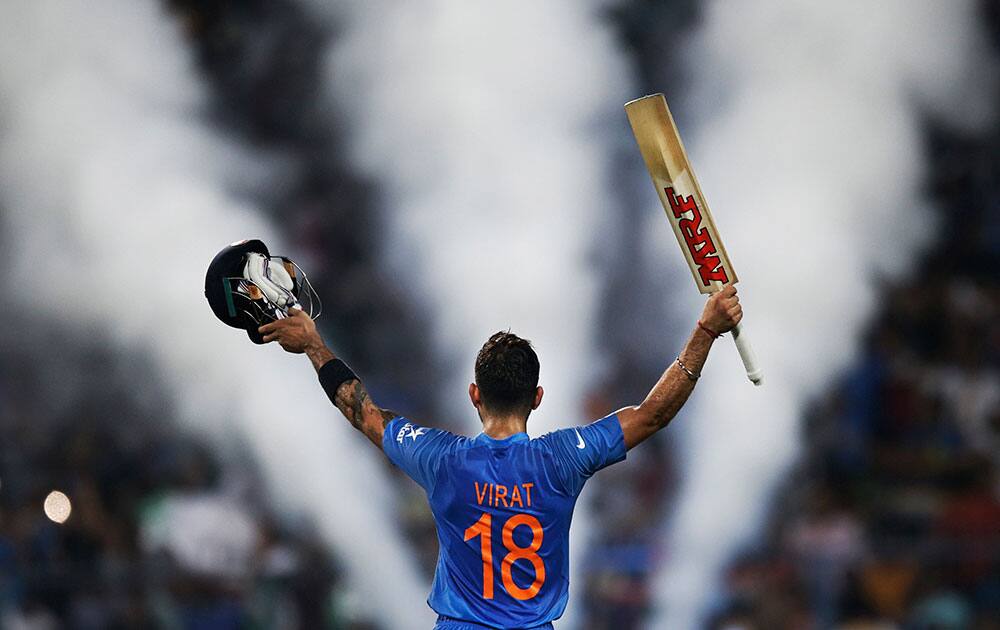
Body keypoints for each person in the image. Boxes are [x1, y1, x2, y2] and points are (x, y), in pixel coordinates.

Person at [258, 285, 743, 629]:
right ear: (537, 397)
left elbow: (362, 412)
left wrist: (315, 346)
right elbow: (652, 414)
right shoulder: (563, 460)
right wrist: (706, 330)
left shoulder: (441, 459)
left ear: (474, 394)